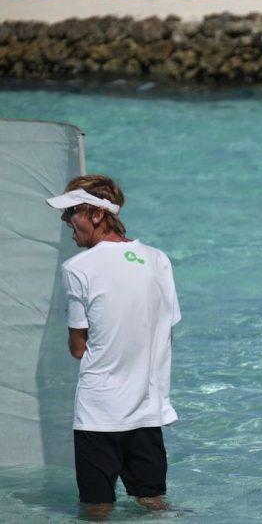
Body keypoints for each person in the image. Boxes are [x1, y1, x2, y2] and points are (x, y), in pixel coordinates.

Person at [46, 175, 181, 518]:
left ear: (95, 215)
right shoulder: (157, 258)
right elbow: (166, 332)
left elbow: (78, 347)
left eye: (71, 212)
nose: (65, 220)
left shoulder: (77, 267)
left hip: (98, 415)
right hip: (147, 412)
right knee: (155, 507)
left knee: (96, 509)